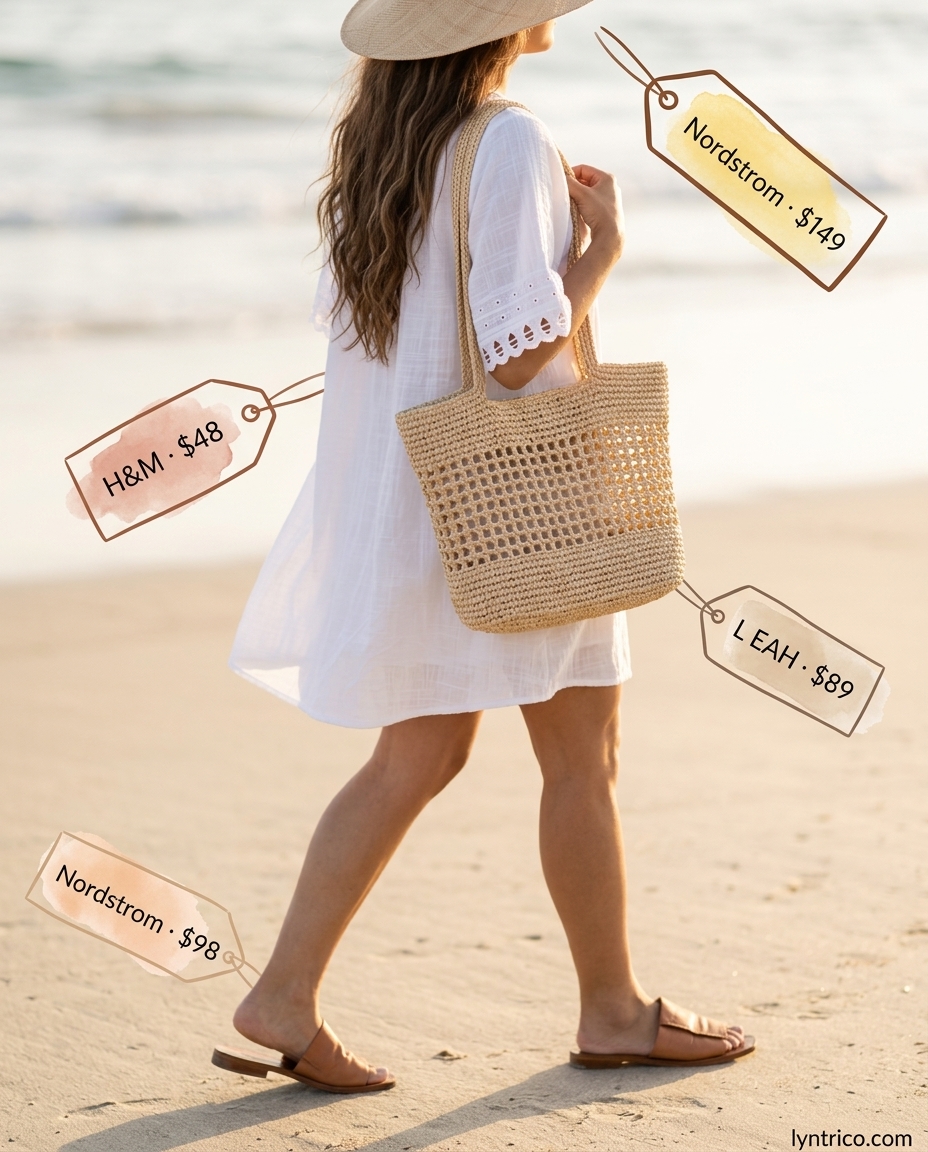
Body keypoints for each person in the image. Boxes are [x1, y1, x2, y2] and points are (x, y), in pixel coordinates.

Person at [213, 0, 754, 1093]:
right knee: (580, 753)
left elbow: (383, 338)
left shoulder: (378, 155)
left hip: (410, 504)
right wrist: (601, 250)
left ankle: (282, 995)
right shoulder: (508, 138)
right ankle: (610, 1012)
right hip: (515, 501)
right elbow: (519, 357)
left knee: (417, 754)